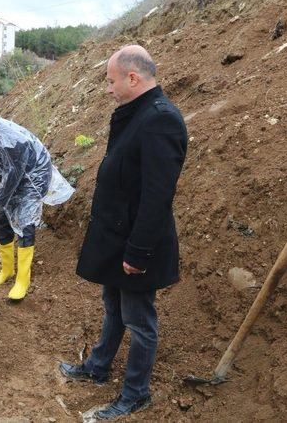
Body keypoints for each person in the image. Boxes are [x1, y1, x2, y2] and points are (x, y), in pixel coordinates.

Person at [59, 45, 188, 420]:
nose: (108, 88)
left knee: (139, 319)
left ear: (133, 78)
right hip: (118, 236)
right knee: (112, 305)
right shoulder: (137, 114)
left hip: (135, 242)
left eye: (111, 81)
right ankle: (99, 367)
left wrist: (139, 252)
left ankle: (136, 393)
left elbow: (157, 196)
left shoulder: (161, 119)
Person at [0, 113, 74, 301]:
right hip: (11, 178)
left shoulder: (9, 140)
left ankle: (22, 280)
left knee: (24, 224)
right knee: (4, 221)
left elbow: (14, 177)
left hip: (31, 179)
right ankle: (7, 270)